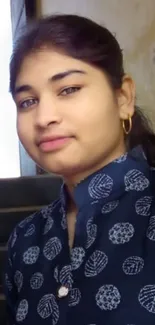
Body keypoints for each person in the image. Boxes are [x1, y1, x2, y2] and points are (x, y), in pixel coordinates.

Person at [4, 14, 155, 325]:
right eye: (28, 101)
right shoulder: (25, 239)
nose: (44, 117)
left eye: (69, 89)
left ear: (123, 97)